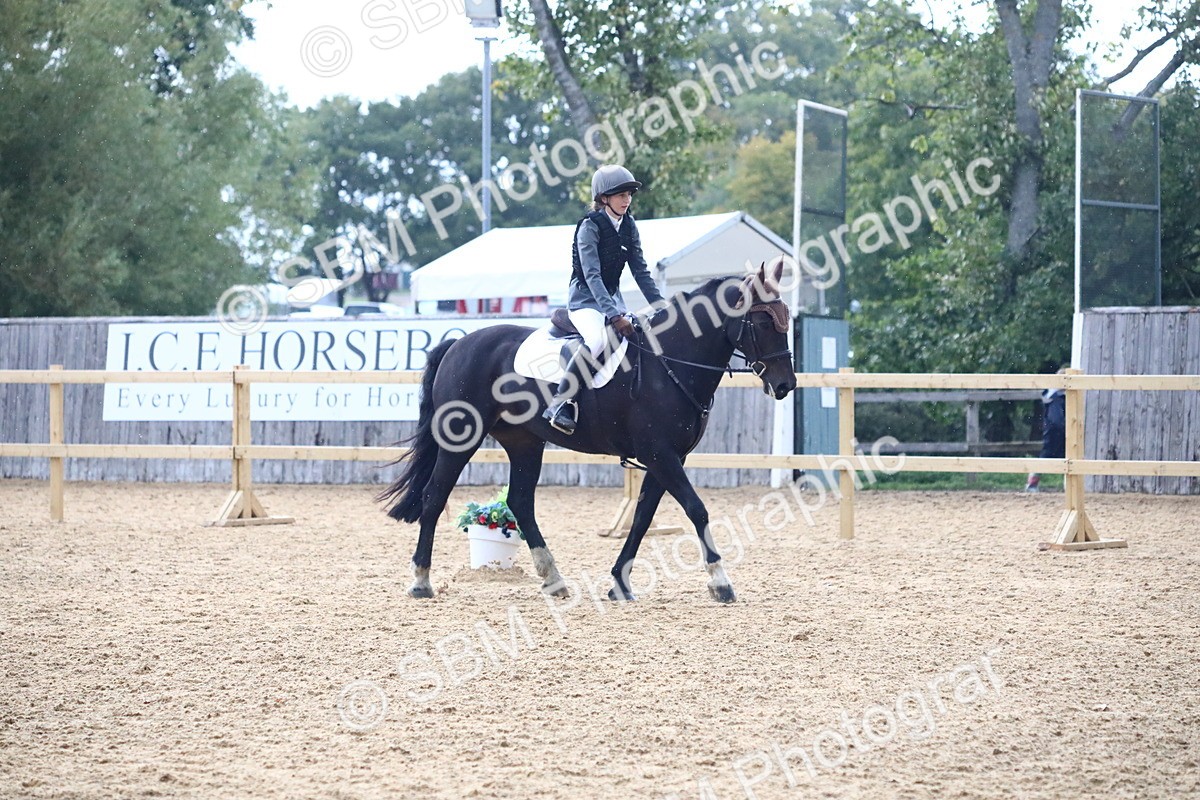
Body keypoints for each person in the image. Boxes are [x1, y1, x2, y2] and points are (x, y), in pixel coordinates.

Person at [542, 164, 665, 434]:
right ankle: (560, 403)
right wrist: (615, 315)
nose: (627, 199)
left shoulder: (629, 225)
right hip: (585, 302)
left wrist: (662, 306)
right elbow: (592, 276)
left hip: (612, 301)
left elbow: (641, 271)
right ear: (603, 198)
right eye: (621, 194)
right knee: (598, 340)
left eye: (629, 194)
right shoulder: (589, 227)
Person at [1026, 368, 1067, 492]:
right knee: (1047, 456)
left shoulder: (1052, 396)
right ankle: (1032, 484)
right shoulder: (1057, 399)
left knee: (1047, 456)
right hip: (1056, 432)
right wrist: (1065, 427)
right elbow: (1056, 420)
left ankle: (1032, 483)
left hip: (1053, 431)